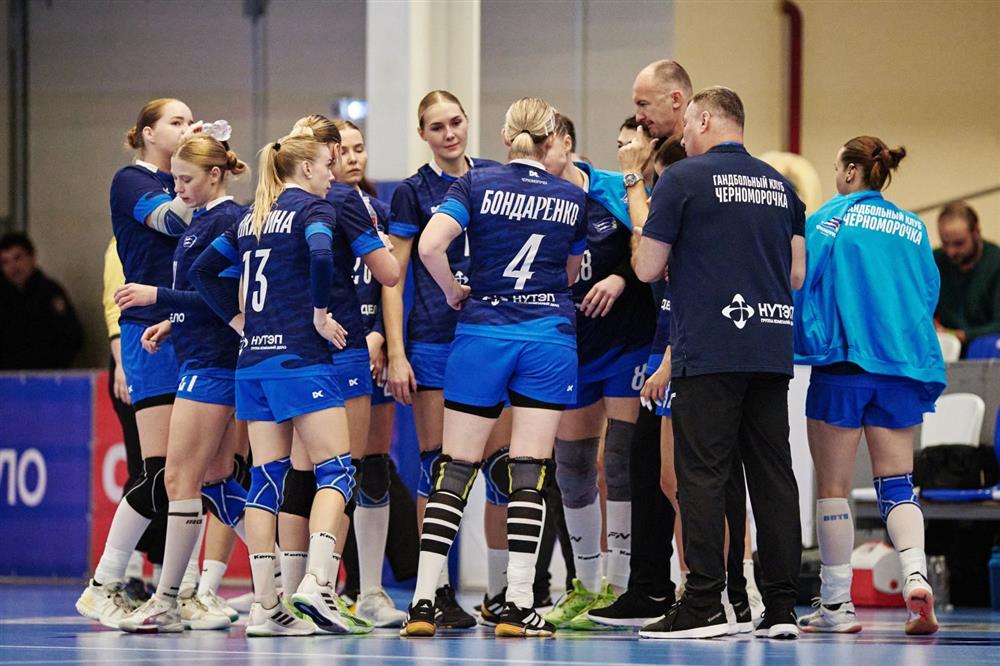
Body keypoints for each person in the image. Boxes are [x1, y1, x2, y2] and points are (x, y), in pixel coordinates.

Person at [400, 97, 587, 639]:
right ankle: (518, 603)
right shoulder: (572, 196)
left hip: (482, 332)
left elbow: (430, 246)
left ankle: (423, 602)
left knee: (454, 466)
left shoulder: (475, 184)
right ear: (550, 140)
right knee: (528, 470)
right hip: (547, 337)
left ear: (506, 138)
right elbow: (571, 271)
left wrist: (453, 290)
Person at [632, 86, 805, 639]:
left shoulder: (682, 178)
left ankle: (704, 602)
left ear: (705, 120)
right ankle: (781, 607)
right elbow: (796, 275)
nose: (682, 135)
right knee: (774, 475)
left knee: (702, 476)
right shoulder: (782, 186)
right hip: (770, 346)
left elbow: (646, 267)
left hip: (709, 348)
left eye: (687, 125)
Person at [191, 128, 370, 637]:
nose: (332, 174)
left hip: (253, 362)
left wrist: (237, 322)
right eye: (327, 165)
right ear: (307, 168)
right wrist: (319, 313)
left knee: (266, 480)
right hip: (300, 360)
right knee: (338, 471)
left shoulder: (251, 217)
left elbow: (204, 271)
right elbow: (321, 255)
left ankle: (266, 606)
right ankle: (317, 582)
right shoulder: (314, 209)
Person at [794, 136, 945, 636]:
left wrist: (803, 339)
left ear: (851, 172)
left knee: (833, 489)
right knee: (898, 482)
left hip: (845, 361)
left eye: (837, 166)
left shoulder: (828, 219)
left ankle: (837, 605)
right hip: (901, 366)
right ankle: (916, 576)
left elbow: (800, 279)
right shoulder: (913, 226)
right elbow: (929, 291)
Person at [113, 134, 251, 633]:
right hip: (200, 355)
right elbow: (205, 297)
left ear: (215, 175)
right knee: (215, 483)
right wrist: (171, 322)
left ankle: (168, 599)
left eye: (186, 179)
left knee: (178, 479)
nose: (178, 189)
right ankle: (284, 577)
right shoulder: (200, 222)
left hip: (215, 363)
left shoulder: (229, 220)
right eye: (173, 179)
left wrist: (157, 297)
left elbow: (227, 297)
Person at [383, 90, 507, 629]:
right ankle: (434, 591)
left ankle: (501, 592)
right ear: (423, 134)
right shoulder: (412, 192)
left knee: (503, 468)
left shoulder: (495, 178)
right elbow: (392, 276)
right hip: (434, 340)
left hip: (493, 336)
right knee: (439, 469)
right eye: (437, 127)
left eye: (455, 122)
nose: (449, 133)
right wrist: (396, 352)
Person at [77, 98, 201, 628]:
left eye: (191, 121)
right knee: (161, 471)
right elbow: (173, 220)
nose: (187, 127)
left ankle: (185, 591)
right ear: (148, 133)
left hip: (188, 327)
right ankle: (104, 582)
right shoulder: (132, 181)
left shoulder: (187, 180)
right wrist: (203, 174)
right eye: (176, 121)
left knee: (200, 472)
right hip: (146, 332)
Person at [587, 61, 693, 629]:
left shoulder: (689, 167)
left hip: (690, 342)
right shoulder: (653, 171)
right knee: (647, 466)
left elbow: (655, 260)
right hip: (656, 339)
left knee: (694, 477)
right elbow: (642, 260)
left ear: (677, 102)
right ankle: (649, 587)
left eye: (644, 105)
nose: (638, 116)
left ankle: (724, 588)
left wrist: (634, 180)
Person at [539, 112, 655, 631]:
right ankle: (584, 584)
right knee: (572, 467)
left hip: (627, 343)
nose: (538, 158)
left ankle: (621, 582)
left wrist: (621, 278)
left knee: (621, 462)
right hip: (572, 348)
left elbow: (651, 245)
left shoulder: (611, 188)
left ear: (567, 143)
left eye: (545, 146)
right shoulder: (534, 199)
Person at [0, 232, 84, 369]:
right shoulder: (3, 296)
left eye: (17, 258)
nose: (13, 267)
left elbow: (72, 337)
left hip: (45, 374)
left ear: (32, 257)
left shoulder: (50, 293)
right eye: (5, 262)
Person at [933, 201, 1000, 351]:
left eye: (959, 243)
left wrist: (963, 335)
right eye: (945, 243)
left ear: (976, 232)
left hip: (986, 348)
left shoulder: (995, 262)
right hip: (945, 348)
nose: (951, 252)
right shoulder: (936, 261)